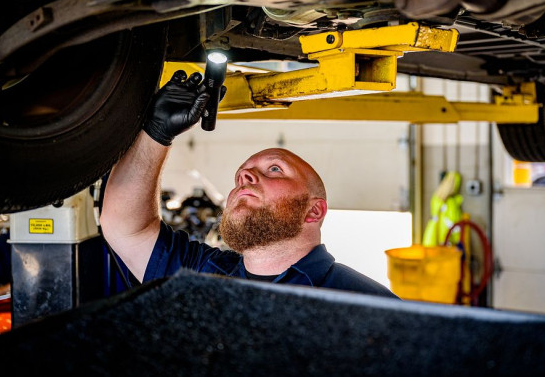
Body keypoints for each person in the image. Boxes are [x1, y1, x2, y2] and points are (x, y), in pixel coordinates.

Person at [100, 70, 398, 298]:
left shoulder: (362, 301)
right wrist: (156, 132)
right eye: (242, 175)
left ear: (314, 211)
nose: (245, 177)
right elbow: (125, 228)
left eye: (274, 169)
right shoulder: (203, 274)